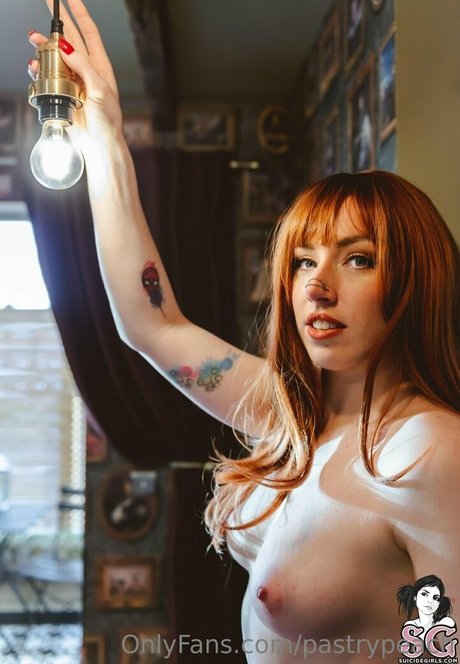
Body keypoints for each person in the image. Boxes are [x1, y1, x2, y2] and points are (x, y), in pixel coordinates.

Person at [28, 2, 460, 662]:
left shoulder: (430, 455)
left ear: (415, 280)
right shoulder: (292, 413)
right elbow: (152, 324)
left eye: (358, 259)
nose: (317, 285)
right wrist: (105, 136)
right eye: (303, 261)